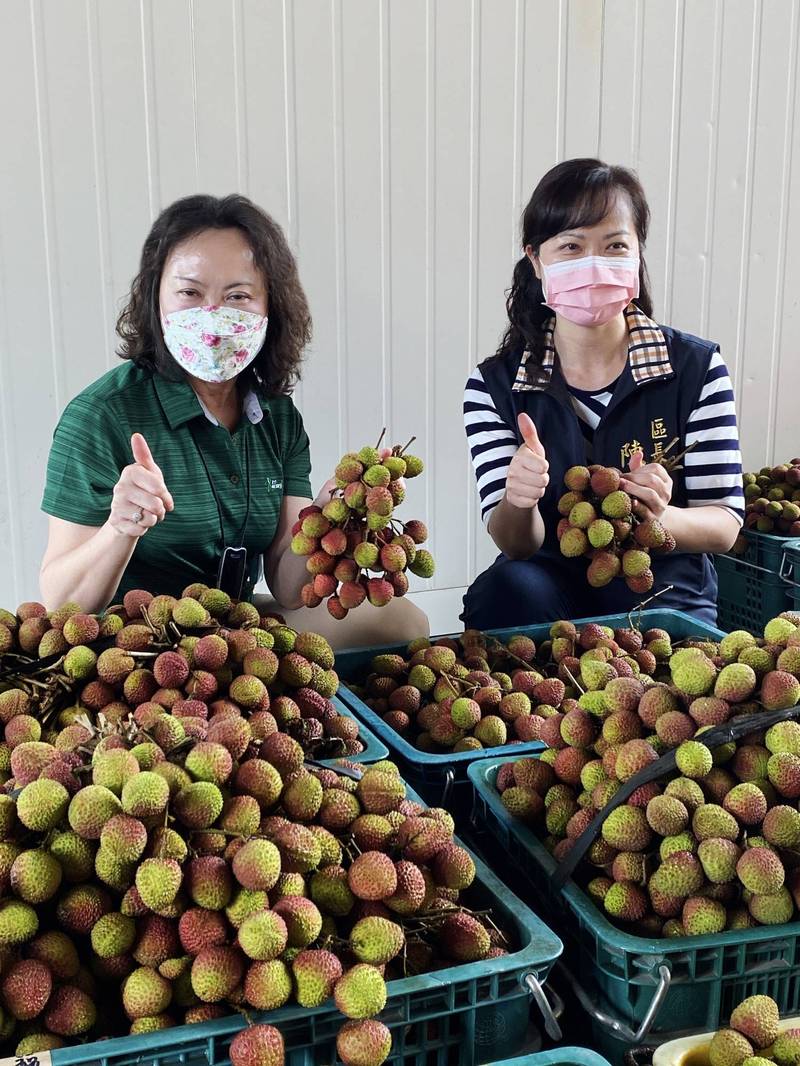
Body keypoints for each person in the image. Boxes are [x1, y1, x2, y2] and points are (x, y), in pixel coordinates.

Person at [39, 193, 428, 645]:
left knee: (404, 624)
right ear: (154, 298)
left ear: (271, 307)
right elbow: (60, 604)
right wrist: (119, 529)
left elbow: (288, 589)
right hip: (137, 646)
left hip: (234, 623)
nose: (213, 316)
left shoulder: (277, 417)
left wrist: (329, 514)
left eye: (238, 296)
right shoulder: (100, 416)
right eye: (190, 292)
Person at [463, 158, 743, 628]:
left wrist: (661, 516)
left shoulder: (696, 369)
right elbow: (515, 543)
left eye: (614, 246)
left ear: (637, 255)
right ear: (536, 259)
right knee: (504, 593)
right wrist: (519, 499)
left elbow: (724, 524)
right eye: (571, 246)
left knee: (666, 641)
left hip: (657, 578)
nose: (593, 264)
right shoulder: (494, 387)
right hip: (546, 579)